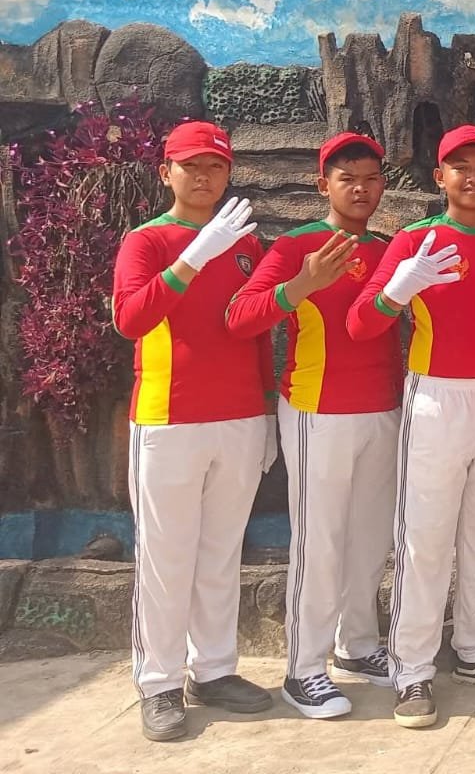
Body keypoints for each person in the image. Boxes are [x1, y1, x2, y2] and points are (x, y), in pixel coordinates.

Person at [347, 124, 475, 729]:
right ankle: (412, 669)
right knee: (426, 537)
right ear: (440, 177)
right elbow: (360, 325)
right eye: (461, 166)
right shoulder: (413, 241)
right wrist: (397, 290)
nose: (473, 176)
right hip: (436, 398)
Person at [226, 132, 402, 719]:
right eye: (347, 177)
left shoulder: (388, 249)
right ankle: (304, 668)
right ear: (323, 185)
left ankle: (358, 647)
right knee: (320, 540)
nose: (361, 188)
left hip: (384, 409)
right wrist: (302, 283)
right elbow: (241, 317)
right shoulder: (295, 246)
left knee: (372, 536)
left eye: (371, 177)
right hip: (316, 410)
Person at [112, 120, 275, 741]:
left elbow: (258, 329)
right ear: (167, 172)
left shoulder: (245, 244)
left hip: (236, 419)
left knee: (220, 551)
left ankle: (213, 671)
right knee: (165, 555)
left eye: (215, 167)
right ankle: (157, 682)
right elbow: (132, 318)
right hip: (169, 417)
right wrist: (192, 257)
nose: (204, 177)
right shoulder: (145, 241)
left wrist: (265, 412)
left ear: (229, 173)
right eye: (191, 166)